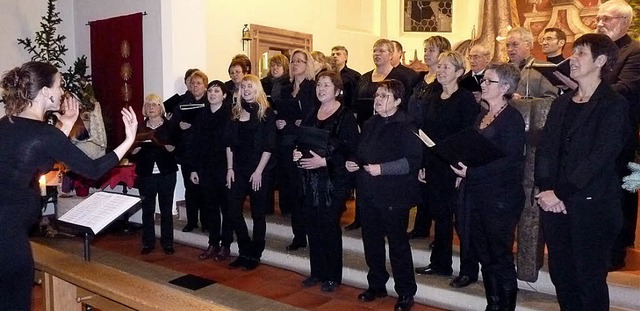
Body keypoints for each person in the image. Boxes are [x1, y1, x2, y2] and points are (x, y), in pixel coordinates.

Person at [0, 61, 138, 310]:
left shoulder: (6, 123)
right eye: (59, 84)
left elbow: (39, 161)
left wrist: (65, 125)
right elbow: (93, 170)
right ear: (45, 92)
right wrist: (128, 141)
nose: (62, 91)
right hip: (8, 238)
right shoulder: (44, 133)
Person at [535, 33, 628, 311]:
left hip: (592, 207)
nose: (572, 60)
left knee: (589, 280)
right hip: (555, 205)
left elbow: (600, 156)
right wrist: (547, 190)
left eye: (580, 54)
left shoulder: (613, 104)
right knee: (562, 278)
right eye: (573, 53)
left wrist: (560, 192)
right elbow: (546, 150)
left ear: (600, 61)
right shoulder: (562, 102)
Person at [451, 62, 526, 311]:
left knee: (499, 256)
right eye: (483, 80)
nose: (482, 84)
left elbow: (510, 161)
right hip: (477, 193)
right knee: (484, 254)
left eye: (488, 81)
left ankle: (505, 307)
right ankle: (493, 304)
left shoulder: (512, 119)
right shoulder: (482, 114)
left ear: (504, 87)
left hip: (500, 198)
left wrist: (471, 172)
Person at [346, 79, 421, 311]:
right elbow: (361, 151)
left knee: (398, 246)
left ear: (398, 101)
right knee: (372, 242)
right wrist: (354, 162)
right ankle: (376, 284)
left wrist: (382, 169)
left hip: (394, 195)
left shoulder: (407, 125)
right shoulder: (371, 123)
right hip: (369, 192)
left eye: (384, 96)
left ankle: (406, 292)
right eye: (377, 95)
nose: (377, 100)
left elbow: (413, 161)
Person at [413, 52, 480, 284]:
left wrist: (462, 168)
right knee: (439, 215)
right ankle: (440, 264)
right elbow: (425, 132)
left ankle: (468, 271)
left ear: (459, 72)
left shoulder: (465, 99)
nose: (440, 71)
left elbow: (469, 136)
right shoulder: (433, 96)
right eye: (439, 67)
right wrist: (423, 164)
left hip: (455, 166)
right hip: (434, 163)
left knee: (461, 221)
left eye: (446, 67)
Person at [294, 71, 359, 293]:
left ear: (337, 90)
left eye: (326, 85)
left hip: (333, 180)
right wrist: (297, 153)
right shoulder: (312, 113)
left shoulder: (345, 116)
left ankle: (332, 275)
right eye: (319, 85)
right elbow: (302, 141)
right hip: (311, 180)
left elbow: (351, 150)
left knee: (329, 227)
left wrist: (325, 162)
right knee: (313, 225)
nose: (321, 89)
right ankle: (317, 272)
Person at [348, 38, 416, 231]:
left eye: (382, 51)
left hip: (392, 132)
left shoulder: (403, 76)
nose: (377, 54)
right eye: (374, 50)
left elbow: (406, 107)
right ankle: (361, 217)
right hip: (368, 128)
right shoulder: (364, 77)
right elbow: (355, 105)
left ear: (393, 54)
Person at [596, 0, 640, 271]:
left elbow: (626, 88)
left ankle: (617, 251)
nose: (599, 22)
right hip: (596, 130)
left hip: (621, 132)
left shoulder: (635, 51)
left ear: (624, 22)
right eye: (598, 18)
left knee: (621, 190)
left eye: (607, 18)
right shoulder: (598, 50)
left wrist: (589, 85)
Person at [226, 75, 277, 271]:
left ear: (257, 89)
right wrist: (229, 168)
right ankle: (244, 248)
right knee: (232, 209)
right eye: (243, 86)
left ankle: (255, 253)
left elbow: (269, 146)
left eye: (250, 86)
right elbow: (229, 144)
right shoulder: (235, 112)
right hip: (238, 169)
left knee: (257, 213)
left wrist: (258, 172)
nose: (246, 89)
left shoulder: (266, 113)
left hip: (259, 169)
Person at [406, 35, 451, 242]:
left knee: (431, 184)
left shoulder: (444, 82)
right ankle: (420, 225)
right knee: (417, 181)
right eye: (425, 49)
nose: (426, 54)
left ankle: (435, 231)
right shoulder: (419, 78)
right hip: (414, 134)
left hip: (432, 137)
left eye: (430, 50)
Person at [189, 81, 234, 262]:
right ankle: (213, 243)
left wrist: (231, 169)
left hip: (224, 167)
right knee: (210, 207)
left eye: (217, 91)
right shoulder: (202, 115)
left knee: (227, 207)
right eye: (210, 91)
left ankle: (226, 245)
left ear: (224, 95)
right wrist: (194, 168)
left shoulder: (230, 115)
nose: (212, 94)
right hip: (205, 167)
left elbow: (231, 145)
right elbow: (195, 144)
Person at [279, 49, 318, 250]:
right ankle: (299, 236)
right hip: (287, 143)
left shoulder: (312, 88)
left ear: (307, 64)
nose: (295, 64)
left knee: (306, 192)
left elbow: (310, 118)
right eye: (293, 61)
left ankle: (312, 234)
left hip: (305, 144)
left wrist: (293, 124)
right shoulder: (285, 88)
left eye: (300, 61)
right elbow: (284, 114)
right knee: (294, 192)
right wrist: (282, 122)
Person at [130, 94, 178, 256]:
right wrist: (134, 151)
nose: (151, 107)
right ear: (145, 109)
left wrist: (171, 148)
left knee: (166, 209)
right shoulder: (139, 127)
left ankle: (167, 243)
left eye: (155, 104)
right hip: (146, 173)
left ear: (161, 108)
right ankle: (148, 242)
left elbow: (180, 146)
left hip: (166, 172)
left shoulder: (170, 126)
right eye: (148, 104)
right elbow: (131, 152)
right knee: (148, 210)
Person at [173, 70, 208, 233]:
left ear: (205, 86)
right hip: (188, 153)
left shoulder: (210, 103)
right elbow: (172, 124)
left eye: (199, 83)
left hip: (205, 154)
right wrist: (179, 125)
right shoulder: (182, 103)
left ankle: (206, 222)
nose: (195, 86)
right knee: (190, 189)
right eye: (193, 83)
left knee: (205, 189)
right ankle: (192, 221)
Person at [505, 27, 558, 99]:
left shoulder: (544, 68)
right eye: (508, 45)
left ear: (528, 45)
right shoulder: (501, 71)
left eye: (515, 44)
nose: (510, 49)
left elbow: (550, 100)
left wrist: (523, 100)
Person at [331, 45, 361, 110]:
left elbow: (357, 96)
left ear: (345, 57)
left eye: (338, 54)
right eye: (333, 54)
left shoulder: (355, 76)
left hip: (348, 110)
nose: (335, 56)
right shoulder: (328, 75)